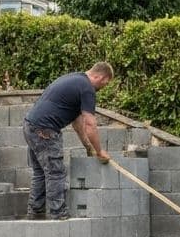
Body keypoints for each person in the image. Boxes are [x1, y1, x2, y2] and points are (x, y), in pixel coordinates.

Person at [23, 62, 114, 220]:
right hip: (45, 130)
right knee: (55, 172)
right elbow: (90, 124)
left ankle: (36, 213)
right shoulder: (87, 88)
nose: (103, 87)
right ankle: (58, 214)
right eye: (104, 83)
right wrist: (100, 151)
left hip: (30, 126)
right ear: (99, 76)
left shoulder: (75, 80)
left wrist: (88, 147)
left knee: (40, 173)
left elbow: (78, 123)